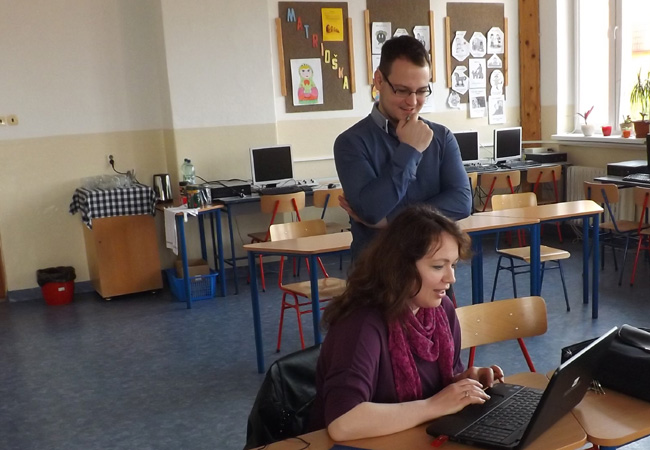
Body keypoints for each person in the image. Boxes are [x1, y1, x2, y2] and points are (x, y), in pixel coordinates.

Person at [309, 205, 503, 441]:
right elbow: (343, 423)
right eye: (438, 266)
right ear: (400, 267)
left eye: (452, 265)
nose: (451, 278)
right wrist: (433, 406)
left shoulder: (440, 310)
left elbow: (435, 385)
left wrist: (462, 384)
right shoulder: (361, 323)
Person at [334, 35, 472, 260]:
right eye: (402, 90)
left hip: (433, 267)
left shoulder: (441, 137)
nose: (412, 102)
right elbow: (372, 210)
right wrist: (410, 150)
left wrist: (389, 220)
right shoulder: (351, 142)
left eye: (421, 91)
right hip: (377, 270)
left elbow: (462, 202)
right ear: (379, 80)